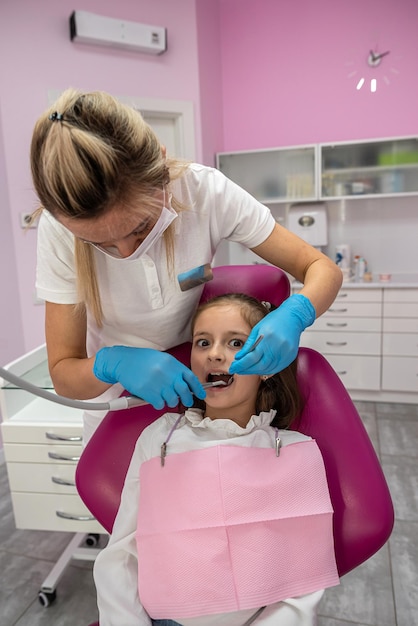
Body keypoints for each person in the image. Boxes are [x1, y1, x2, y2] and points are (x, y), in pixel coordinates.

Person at [31, 88, 342, 441]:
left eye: (139, 228)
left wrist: (297, 313)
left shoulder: (206, 192)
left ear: (161, 168)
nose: (125, 252)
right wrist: (111, 364)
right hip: (117, 410)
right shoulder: (59, 231)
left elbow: (321, 268)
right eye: (100, 244)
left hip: (196, 394)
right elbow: (64, 374)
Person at [93, 293, 340, 626]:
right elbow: (122, 554)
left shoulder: (295, 453)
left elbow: (302, 586)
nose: (215, 354)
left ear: (267, 363)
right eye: (203, 342)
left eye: (236, 342)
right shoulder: (161, 438)